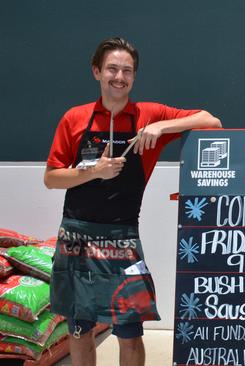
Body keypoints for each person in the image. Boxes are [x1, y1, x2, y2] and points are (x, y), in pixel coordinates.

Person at [44, 37, 221, 366]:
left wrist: (162, 126)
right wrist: (95, 172)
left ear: (134, 77)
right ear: (97, 71)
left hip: (122, 237)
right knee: (80, 329)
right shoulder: (74, 118)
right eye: (112, 68)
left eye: (127, 70)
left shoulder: (148, 114)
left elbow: (211, 121)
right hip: (76, 236)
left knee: (130, 331)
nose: (119, 76)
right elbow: (52, 177)